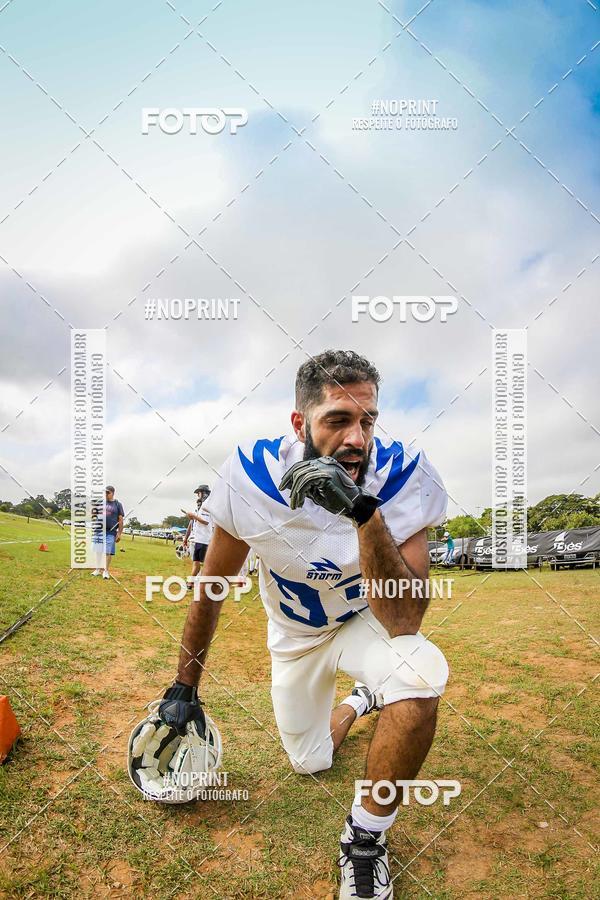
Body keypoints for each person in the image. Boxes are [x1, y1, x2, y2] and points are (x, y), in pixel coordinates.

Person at [144, 350, 449, 899]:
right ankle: (359, 702)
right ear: (299, 423)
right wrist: (184, 684)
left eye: (368, 420)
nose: (357, 438)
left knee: (421, 669)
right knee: (309, 761)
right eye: (338, 419)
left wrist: (363, 510)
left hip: (366, 624)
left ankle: (365, 838)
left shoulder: (405, 475)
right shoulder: (251, 478)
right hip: (294, 636)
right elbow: (212, 588)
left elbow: (405, 618)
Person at [182, 486, 213, 589]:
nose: (197, 495)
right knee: (195, 563)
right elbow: (193, 524)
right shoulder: (200, 508)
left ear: (204, 493)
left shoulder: (207, 507)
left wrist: (193, 516)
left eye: (198, 493)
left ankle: (203, 585)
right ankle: (190, 583)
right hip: (198, 539)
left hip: (205, 540)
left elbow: (206, 521)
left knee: (205, 565)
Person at [91, 485, 124, 579]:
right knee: (98, 550)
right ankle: (97, 569)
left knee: (107, 551)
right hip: (99, 530)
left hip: (111, 532)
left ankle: (106, 571)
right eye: (104, 492)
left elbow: (120, 520)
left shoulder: (117, 504)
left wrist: (119, 533)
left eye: (108, 492)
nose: (105, 494)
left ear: (113, 493)